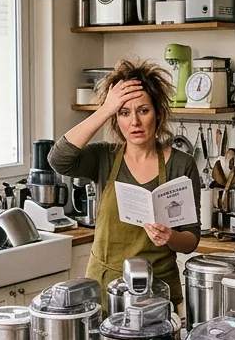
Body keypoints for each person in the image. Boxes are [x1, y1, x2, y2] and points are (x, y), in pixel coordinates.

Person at [49, 58, 204, 303]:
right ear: (115, 118)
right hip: (104, 289)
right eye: (124, 112)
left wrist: (170, 237)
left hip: (158, 291)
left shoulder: (181, 165)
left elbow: (191, 239)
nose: (135, 122)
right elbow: (58, 158)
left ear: (158, 113)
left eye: (143, 110)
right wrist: (104, 109)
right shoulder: (103, 157)